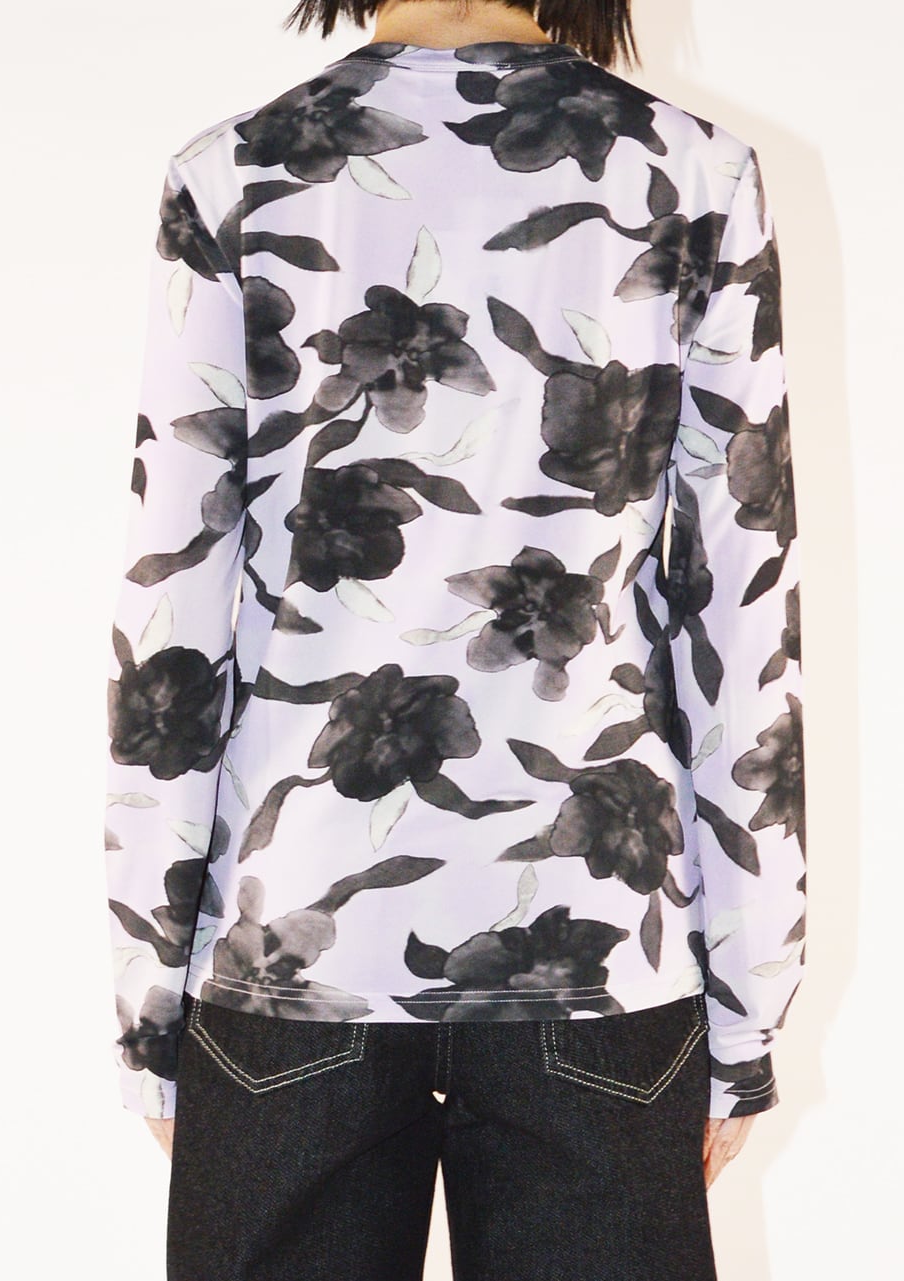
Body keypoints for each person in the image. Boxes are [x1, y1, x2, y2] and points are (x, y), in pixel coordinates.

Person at [103, 2, 806, 1276]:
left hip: (283, 946)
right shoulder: (692, 174)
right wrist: (747, 1003)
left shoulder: (237, 174)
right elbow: (741, 601)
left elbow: (174, 608)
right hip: (602, 944)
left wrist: (151, 1007)